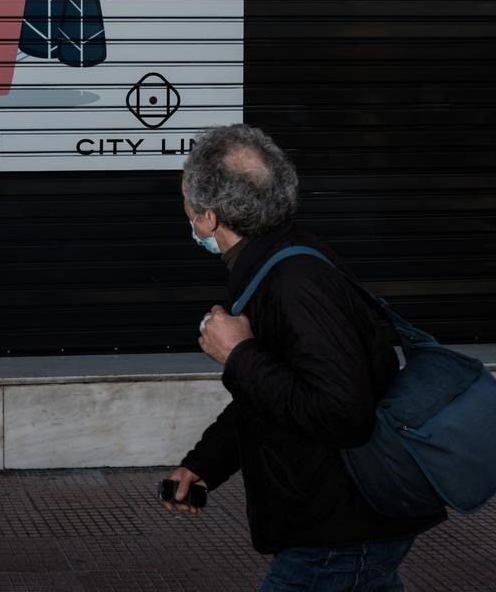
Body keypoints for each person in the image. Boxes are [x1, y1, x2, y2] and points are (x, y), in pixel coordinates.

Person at [162, 124, 443, 591]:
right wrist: (205, 463)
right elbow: (277, 389)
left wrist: (238, 353)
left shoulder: (295, 281)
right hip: (350, 522)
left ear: (209, 219)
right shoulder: (278, 262)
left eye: (187, 204)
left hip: (338, 534)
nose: (187, 215)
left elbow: (342, 413)